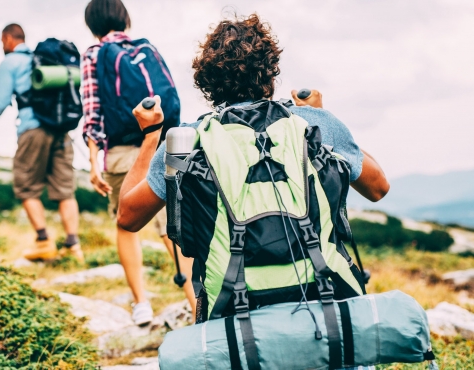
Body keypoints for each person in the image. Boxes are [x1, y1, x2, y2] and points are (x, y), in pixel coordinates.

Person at [118, 14, 389, 370]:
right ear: (270, 73)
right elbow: (378, 187)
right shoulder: (313, 123)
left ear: (206, 82)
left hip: (234, 325)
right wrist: (326, 118)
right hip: (328, 313)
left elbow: (128, 216)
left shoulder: (187, 140)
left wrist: (151, 135)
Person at [82, 0, 196, 326]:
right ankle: (198, 305)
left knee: (125, 223)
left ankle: (141, 303)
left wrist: (93, 162)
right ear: (124, 19)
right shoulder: (145, 48)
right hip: (161, 141)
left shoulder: (94, 54)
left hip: (120, 151)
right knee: (170, 228)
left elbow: (92, 114)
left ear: (92, 24)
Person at [0, 23, 83, 263]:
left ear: (7, 38)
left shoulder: (10, 63)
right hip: (60, 129)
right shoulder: (42, 59)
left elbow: (1, 102)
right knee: (64, 189)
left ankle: (44, 241)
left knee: (26, 185)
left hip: (32, 129)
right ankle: (72, 246)